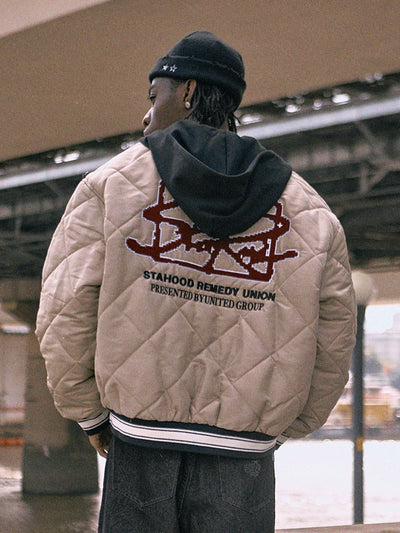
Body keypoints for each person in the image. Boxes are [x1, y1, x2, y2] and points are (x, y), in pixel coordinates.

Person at [36, 31, 356, 532]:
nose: (146, 117)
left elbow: (65, 312)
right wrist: (282, 428)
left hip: (139, 448)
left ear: (186, 92)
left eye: (154, 97)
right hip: (244, 461)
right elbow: (334, 343)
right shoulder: (309, 209)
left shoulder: (111, 185)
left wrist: (90, 416)